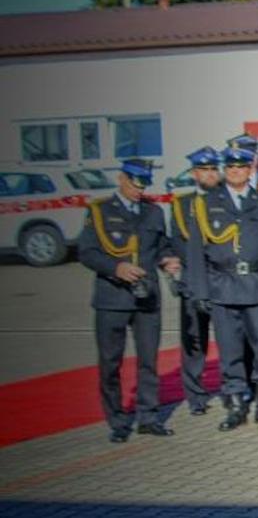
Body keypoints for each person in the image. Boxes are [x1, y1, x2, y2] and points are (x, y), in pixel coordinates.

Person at [78, 158, 179, 443]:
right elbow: (86, 252)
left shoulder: (153, 212)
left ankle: (148, 416)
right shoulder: (99, 211)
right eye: (134, 183)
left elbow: (161, 246)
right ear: (121, 179)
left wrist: (168, 260)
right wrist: (116, 268)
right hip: (112, 298)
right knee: (111, 363)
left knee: (148, 361)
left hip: (147, 298)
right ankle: (118, 421)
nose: (139, 189)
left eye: (144, 183)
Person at [193, 147, 258, 430]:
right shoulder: (207, 203)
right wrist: (200, 292)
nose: (235, 171)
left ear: (250, 170)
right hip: (223, 288)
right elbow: (196, 252)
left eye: (241, 167)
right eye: (230, 167)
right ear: (224, 170)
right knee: (230, 350)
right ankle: (235, 405)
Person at [168, 146, 221, 416]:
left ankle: (238, 388)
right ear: (193, 173)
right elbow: (175, 242)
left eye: (213, 169)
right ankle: (196, 396)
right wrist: (171, 264)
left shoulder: (225, 198)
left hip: (223, 279)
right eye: (204, 170)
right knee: (194, 342)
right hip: (193, 280)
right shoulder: (181, 205)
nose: (210, 175)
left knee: (232, 339)